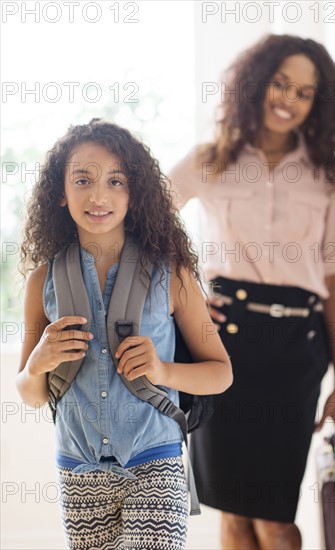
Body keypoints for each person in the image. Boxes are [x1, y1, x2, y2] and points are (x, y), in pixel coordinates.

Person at [169, 34, 335, 549]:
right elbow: (145, 223)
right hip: (222, 344)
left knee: (274, 518)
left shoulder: (329, 171)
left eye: (305, 92)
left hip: (298, 351)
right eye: (281, 83)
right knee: (232, 513)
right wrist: (183, 289)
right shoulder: (212, 158)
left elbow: (334, 278)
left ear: (318, 103)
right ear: (257, 84)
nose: (289, 99)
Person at [16, 118, 233, 550]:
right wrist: (39, 361)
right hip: (78, 468)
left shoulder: (171, 273)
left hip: (156, 460)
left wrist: (162, 370)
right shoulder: (43, 282)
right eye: (83, 180)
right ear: (61, 192)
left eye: (116, 181)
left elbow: (221, 372)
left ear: (136, 192)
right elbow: (32, 392)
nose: (99, 195)